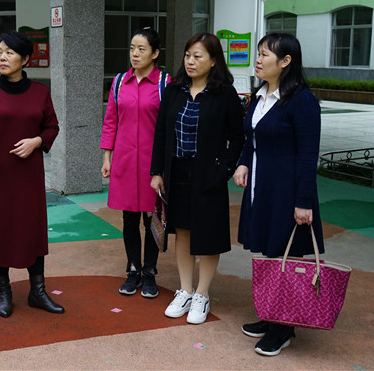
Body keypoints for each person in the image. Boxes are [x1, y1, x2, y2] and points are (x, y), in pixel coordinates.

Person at [233, 32, 325, 356]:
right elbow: (252, 138)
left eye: (265, 54)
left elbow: (308, 156)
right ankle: (272, 316)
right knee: (271, 254)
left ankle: (283, 330)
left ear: (286, 61)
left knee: (286, 256)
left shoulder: (301, 100)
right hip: (262, 189)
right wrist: (243, 163)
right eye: (258, 53)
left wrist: (303, 202)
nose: (258, 60)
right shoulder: (260, 96)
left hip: (287, 193)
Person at [0, 30, 63, 318]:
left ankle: (38, 292)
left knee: (34, 230)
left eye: (9, 52)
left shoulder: (40, 93)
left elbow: (52, 127)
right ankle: (4, 293)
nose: (2, 57)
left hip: (29, 176)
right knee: (2, 232)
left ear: (25, 59)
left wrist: (37, 142)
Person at [149, 33, 245, 324]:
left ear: (213, 61)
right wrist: (156, 172)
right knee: (183, 231)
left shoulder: (225, 94)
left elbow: (237, 138)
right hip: (176, 172)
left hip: (208, 175)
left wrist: (224, 170)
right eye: (188, 55)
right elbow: (161, 133)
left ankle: (202, 294)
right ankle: (185, 290)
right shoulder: (174, 90)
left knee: (209, 233)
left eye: (198, 56)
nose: (190, 61)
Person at [100, 27, 170, 298]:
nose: (135, 54)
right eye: (132, 48)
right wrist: (107, 158)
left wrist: (164, 167)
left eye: (141, 49)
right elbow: (110, 122)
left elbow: (169, 126)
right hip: (125, 162)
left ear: (155, 53)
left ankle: (149, 273)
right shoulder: (120, 82)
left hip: (154, 165)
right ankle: (133, 270)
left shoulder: (165, 83)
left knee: (152, 219)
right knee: (129, 219)